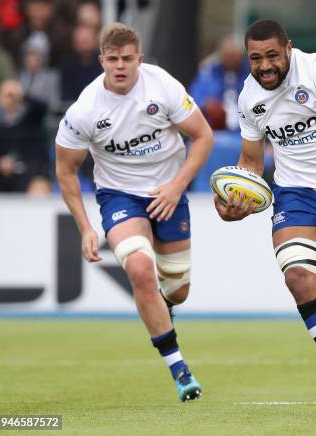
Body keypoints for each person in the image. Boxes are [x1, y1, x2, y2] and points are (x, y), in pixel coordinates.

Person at [214, 19, 316, 416]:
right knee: (298, 278)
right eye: (256, 58)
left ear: (288, 48)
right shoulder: (248, 98)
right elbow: (251, 163)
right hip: (297, 196)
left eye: (272, 55)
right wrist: (233, 200)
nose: (265, 65)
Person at [55, 23, 213, 402]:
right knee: (140, 269)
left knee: (180, 290)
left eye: (127, 59)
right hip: (119, 196)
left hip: (168, 192)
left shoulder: (163, 87)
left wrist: (177, 186)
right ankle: (179, 370)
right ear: (101, 61)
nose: (120, 66)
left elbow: (203, 136)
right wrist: (86, 228)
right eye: (113, 59)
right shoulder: (86, 110)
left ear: (139, 59)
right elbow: (65, 170)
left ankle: (161, 306)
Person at [188, 35, 249, 130]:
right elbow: (194, 98)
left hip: (246, 130)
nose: (230, 59)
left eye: (233, 55)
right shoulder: (209, 72)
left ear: (240, 55)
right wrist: (206, 105)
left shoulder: (251, 74)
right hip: (215, 130)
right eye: (226, 55)